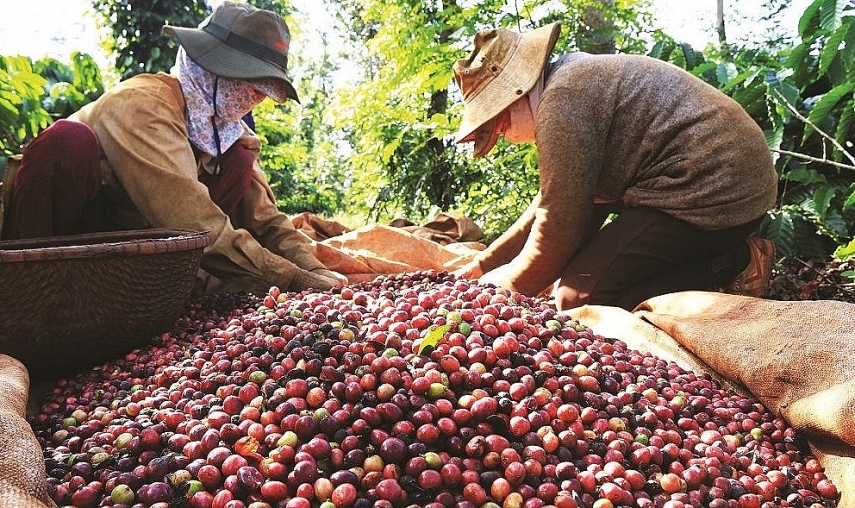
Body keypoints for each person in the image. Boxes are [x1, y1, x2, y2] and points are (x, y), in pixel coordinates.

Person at [1, 1, 346, 295]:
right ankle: (30, 293)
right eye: (253, 84)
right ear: (212, 70)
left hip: (131, 253)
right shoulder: (144, 104)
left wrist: (312, 270)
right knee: (67, 141)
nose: (258, 98)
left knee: (240, 160)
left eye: (265, 90)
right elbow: (190, 218)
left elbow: (266, 218)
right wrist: (286, 279)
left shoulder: (226, 132)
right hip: (70, 236)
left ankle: (155, 287)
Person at [452, 22, 778, 311]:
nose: (505, 136)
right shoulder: (566, 84)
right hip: (697, 181)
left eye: (499, 125)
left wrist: (499, 297)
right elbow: (550, 204)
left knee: (581, 298)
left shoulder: (563, 103)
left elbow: (558, 228)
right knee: (566, 279)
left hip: (713, 191)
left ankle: (734, 262)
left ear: (516, 93)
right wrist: (483, 266)